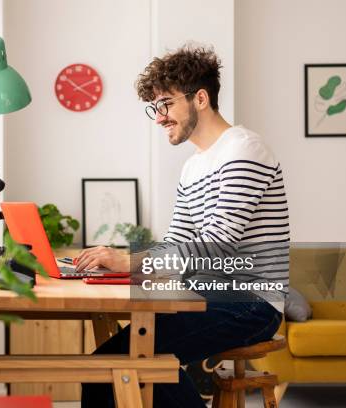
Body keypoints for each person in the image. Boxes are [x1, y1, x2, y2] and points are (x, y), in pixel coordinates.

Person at [77, 44, 289, 407]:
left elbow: (218, 245)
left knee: (116, 365)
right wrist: (129, 268)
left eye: (166, 104)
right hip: (203, 295)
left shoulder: (244, 150)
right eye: (155, 107)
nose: (159, 117)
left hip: (251, 302)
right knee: (114, 364)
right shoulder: (193, 167)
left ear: (201, 98)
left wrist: (132, 261)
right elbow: (177, 241)